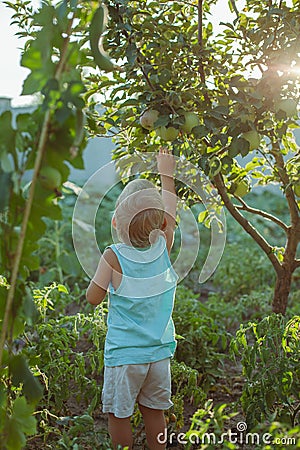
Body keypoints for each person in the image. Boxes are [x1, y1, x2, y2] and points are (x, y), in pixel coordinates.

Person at [86, 147, 178, 450]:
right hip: (159, 355)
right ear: (161, 225)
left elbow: (92, 298)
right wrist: (167, 174)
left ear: (115, 222)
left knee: (118, 415)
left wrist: (100, 282)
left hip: (125, 356)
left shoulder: (113, 256)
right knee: (155, 413)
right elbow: (171, 215)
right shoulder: (162, 248)